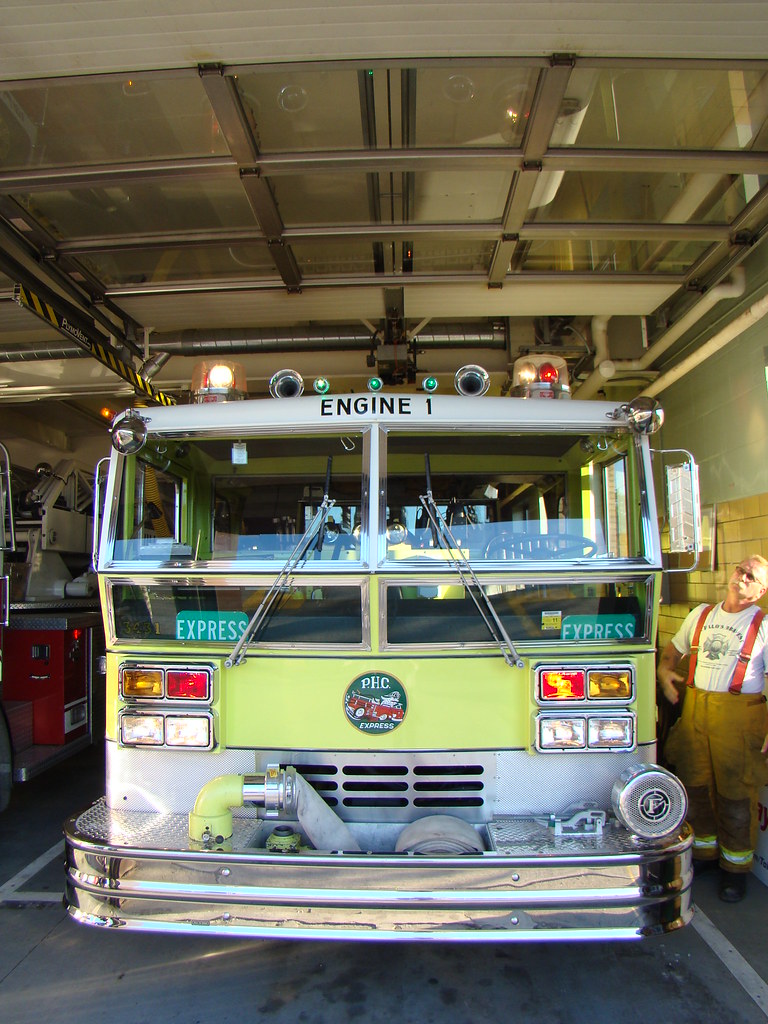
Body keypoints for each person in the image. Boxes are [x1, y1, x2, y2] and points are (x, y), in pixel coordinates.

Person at [658, 555, 768, 902]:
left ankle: (735, 869)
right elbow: (671, 653)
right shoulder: (701, 614)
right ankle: (705, 854)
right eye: (740, 570)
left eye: (752, 576)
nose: (742, 577)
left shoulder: (763, 625)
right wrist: (664, 673)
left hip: (739, 719)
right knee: (695, 786)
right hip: (696, 712)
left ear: (761, 591)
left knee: (736, 795)